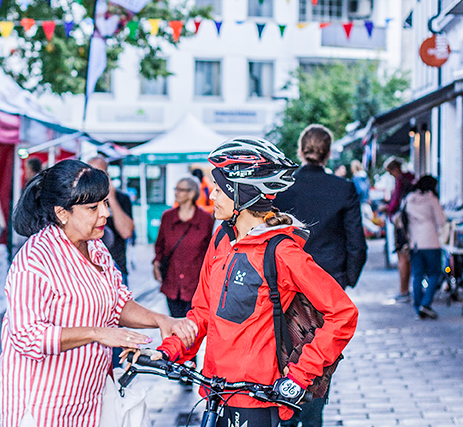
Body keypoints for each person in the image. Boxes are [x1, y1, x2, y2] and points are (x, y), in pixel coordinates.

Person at [151, 138, 358, 427]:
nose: (211, 196)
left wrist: (300, 375)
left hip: (258, 400)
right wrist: (170, 349)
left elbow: (343, 313)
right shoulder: (222, 239)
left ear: (243, 195)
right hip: (215, 393)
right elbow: (202, 313)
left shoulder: (282, 251)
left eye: (220, 189)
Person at [0, 159, 195, 427]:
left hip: (88, 399)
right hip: (39, 404)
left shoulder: (96, 248)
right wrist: (97, 333)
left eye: (105, 203)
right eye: (93, 207)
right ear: (62, 213)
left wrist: (163, 321)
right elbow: (27, 336)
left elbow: (117, 303)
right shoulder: (35, 260)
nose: (105, 214)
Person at [272, 125, 366, 427]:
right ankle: (312, 415)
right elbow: (356, 241)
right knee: (319, 356)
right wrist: (346, 279)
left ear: (301, 150)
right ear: (328, 152)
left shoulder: (283, 187)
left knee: (282, 356)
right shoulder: (343, 188)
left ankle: (284, 414)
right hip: (327, 289)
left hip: (284, 288)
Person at [153, 175, 215, 318]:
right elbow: (160, 245)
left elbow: (210, 252)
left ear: (191, 193)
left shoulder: (206, 219)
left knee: (193, 328)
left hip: (196, 285)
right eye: (176, 189)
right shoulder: (167, 217)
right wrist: (156, 264)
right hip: (172, 283)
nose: (176, 193)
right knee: (175, 325)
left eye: (180, 190)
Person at [403, 175, 447, 320]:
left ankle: (418, 307)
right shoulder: (431, 200)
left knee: (417, 276)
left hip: (414, 243)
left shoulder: (409, 199)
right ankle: (426, 304)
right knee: (434, 274)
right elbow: (441, 220)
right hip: (431, 242)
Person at [88, 155, 134, 286]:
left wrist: (111, 199)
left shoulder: (121, 198)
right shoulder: (81, 200)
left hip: (116, 268)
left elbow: (126, 232)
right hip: (89, 269)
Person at [385, 157, 415, 302]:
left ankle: (403, 290)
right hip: (412, 223)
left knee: (402, 256)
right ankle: (406, 290)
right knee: (407, 256)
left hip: (402, 223)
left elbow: (395, 201)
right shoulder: (411, 178)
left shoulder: (400, 180)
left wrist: (388, 209)